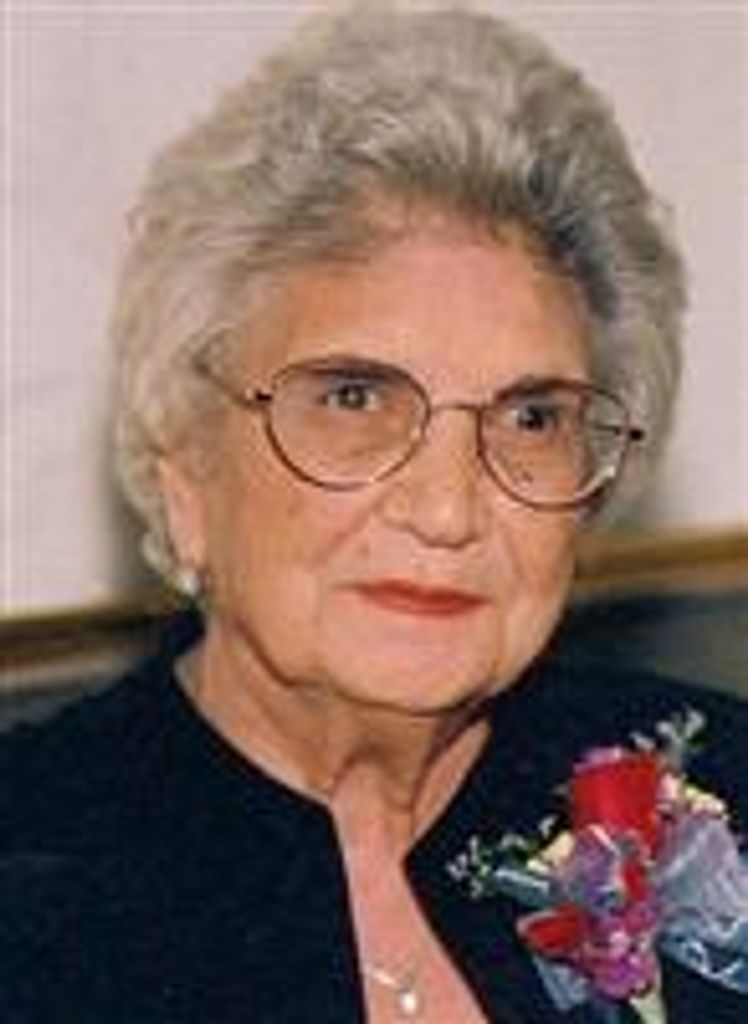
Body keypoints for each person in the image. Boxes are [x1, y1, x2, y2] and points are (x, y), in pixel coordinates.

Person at [2, 4, 746, 1022]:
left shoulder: (719, 793)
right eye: (353, 398)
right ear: (185, 467)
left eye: (531, 417)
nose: (446, 508)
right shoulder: (29, 872)